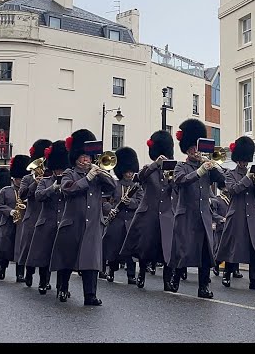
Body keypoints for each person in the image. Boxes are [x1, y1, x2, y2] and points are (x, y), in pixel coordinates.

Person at [49, 129, 116, 305]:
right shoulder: (69, 173)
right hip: (73, 222)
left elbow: (112, 189)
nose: (86, 160)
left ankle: (90, 295)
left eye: (88, 157)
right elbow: (68, 189)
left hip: (93, 223)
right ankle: (63, 288)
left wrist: (102, 173)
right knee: (67, 259)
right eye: (83, 157)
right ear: (76, 158)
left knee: (91, 260)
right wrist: (88, 177)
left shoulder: (97, 173)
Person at [168, 118, 225, 297]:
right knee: (183, 251)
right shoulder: (181, 166)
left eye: (197, 148)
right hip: (186, 215)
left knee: (205, 253)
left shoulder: (207, 166)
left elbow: (223, 182)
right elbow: (180, 181)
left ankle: (203, 287)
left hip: (204, 215)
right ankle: (175, 279)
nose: (196, 152)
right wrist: (199, 171)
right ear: (187, 149)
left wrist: (213, 166)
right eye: (193, 148)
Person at [120, 130, 176, 291]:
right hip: (148, 213)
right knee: (145, 247)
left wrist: (171, 180)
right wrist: (155, 164)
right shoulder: (148, 168)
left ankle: (167, 281)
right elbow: (140, 177)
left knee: (167, 248)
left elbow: (177, 189)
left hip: (166, 214)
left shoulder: (171, 170)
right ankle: (142, 273)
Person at [216, 136, 255, 290]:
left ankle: (254, 280)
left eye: (246, 161)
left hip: (251, 215)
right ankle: (227, 274)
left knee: (254, 248)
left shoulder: (253, 174)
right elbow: (233, 190)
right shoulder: (230, 174)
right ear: (238, 159)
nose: (244, 163)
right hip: (236, 214)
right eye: (242, 160)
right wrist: (247, 178)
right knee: (234, 247)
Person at [26, 140, 69, 294]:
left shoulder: (69, 181)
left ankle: (61, 287)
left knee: (62, 257)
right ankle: (43, 282)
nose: (59, 172)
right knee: (45, 256)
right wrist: (52, 188)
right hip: (47, 222)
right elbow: (38, 196)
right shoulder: (45, 181)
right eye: (57, 170)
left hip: (63, 222)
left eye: (62, 169)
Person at [102, 146, 142, 284]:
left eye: (131, 172)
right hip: (116, 221)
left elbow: (140, 202)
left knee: (130, 251)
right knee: (113, 248)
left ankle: (131, 275)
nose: (129, 174)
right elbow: (105, 201)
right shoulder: (114, 184)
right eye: (127, 171)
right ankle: (111, 271)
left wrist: (129, 201)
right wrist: (110, 210)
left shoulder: (137, 187)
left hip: (130, 221)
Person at [20, 139, 53, 287]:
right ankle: (28, 271)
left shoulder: (50, 178)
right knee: (29, 249)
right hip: (32, 216)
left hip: (46, 217)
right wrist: (35, 183)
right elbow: (22, 195)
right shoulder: (28, 178)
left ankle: (44, 280)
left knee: (46, 250)